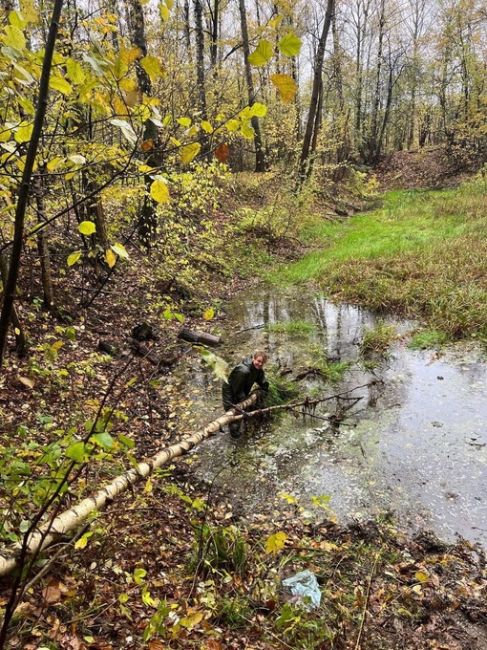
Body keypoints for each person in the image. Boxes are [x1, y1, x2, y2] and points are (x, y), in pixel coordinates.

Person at [222, 350, 269, 438]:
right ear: (253, 359)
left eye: (262, 363)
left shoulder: (257, 369)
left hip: (242, 388)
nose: (259, 364)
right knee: (234, 414)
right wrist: (244, 400)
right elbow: (237, 390)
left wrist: (265, 389)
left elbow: (261, 380)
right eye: (258, 361)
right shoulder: (243, 371)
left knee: (242, 409)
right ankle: (235, 437)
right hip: (230, 391)